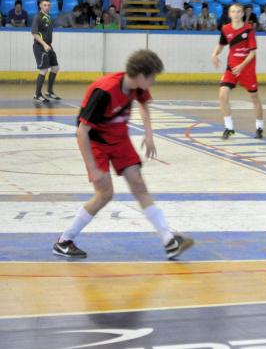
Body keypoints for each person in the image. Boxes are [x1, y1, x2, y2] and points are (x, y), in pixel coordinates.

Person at [52, 49, 194, 260]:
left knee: (138, 183)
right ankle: (64, 241)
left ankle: (168, 241)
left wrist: (149, 133)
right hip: (96, 142)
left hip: (119, 138)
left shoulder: (136, 86)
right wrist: (93, 168)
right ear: (140, 76)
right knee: (105, 194)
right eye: (153, 76)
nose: (154, 80)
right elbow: (82, 131)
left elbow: (143, 103)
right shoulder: (105, 91)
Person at [211, 2, 264, 140]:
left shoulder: (249, 30)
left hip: (247, 69)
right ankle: (229, 128)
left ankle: (259, 126)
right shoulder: (226, 29)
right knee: (223, 95)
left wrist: (241, 66)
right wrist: (214, 54)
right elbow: (221, 45)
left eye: (239, 11)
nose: (236, 14)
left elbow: (252, 53)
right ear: (229, 14)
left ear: (243, 13)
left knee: (254, 98)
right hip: (231, 68)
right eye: (233, 11)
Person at [31, 0, 61, 103]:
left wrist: (47, 45)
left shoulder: (48, 17)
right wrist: (44, 45)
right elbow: (34, 33)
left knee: (55, 67)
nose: (47, 7)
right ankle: (37, 94)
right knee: (44, 69)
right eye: (44, 5)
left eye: (48, 5)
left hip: (48, 45)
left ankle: (49, 92)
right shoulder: (37, 17)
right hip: (40, 46)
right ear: (40, 5)